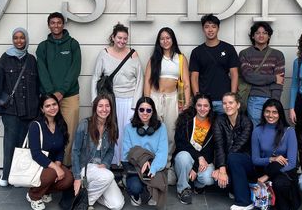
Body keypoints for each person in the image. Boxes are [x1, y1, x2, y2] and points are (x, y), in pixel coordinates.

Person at [0, 27, 40, 187]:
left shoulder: (31, 60)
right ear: (13, 40)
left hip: (30, 110)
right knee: (10, 143)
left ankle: (17, 176)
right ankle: (6, 175)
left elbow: (38, 85)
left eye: (22, 37)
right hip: (10, 110)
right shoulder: (5, 58)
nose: (19, 41)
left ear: (26, 39)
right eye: (16, 38)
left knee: (24, 145)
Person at [91, 23, 144, 165]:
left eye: (125, 38)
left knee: (127, 132)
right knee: (111, 131)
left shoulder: (133, 54)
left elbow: (140, 79)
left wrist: (136, 104)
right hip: (110, 99)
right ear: (113, 37)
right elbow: (95, 77)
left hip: (130, 99)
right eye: (119, 37)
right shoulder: (104, 54)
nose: (122, 41)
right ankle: (111, 162)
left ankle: (126, 162)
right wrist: (95, 101)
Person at [144, 27, 191, 184]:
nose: (165, 41)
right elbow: (147, 82)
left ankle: (167, 166)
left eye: (168, 38)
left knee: (170, 134)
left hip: (172, 99)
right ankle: (151, 165)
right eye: (162, 38)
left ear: (173, 39)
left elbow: (186, 84)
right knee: (153, 132)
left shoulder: (180, 58)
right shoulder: (153, 59)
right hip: (155, 98)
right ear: (159, 41)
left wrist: (186, 104)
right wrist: (146, 102)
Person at [36, 12, 82, 165]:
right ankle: (48, 166)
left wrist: (61, 91)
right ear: (49, 25)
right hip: (49, 98)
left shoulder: (73, 44)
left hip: (69, 95)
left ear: (63, 25)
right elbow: (42, 71)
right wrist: (51, 95)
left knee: (69, 132)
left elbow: (74, 70)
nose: (56, 25)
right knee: (49, 131)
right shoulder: (43, 47)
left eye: (59, 22)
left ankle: (67, 166)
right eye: (53, 23)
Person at [71, 95, 125, 210]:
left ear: (111, 108)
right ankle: (85, 201)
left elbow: (110, 150)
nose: (104, 109)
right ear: (95, 108)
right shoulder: (85, 124)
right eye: (100, 106)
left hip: (101, 170)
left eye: (107, 106)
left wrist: (105, 163)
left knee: (117, 205)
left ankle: (93, 195)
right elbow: (75, 151)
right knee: (109, 176)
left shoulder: (112, 126)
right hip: (86, 167)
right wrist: (76, 177)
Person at [250, 98, 300, 210]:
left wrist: (267, 176)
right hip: (266, 168)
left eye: (274, 112)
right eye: (267, 111)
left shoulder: (289, 131)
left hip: (285, 172)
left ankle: (285, 208)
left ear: (280, 114)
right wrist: (272, 159)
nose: (270, 115)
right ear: (263, 113)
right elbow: (255, 159)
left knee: (278, 178)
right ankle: (275, 204)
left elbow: (292, 163)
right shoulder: (257, 131)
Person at [25, 94, 74, 210]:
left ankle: (45, 190)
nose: (52, 108)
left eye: (54, 104)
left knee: (68, 179)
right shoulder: (35, 126)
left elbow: (61, 149)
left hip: (52, 165)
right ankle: (34, 195)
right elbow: (36, 154)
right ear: (42, 109)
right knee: (52, 173)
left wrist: (58, 165)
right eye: (48, 106)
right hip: (38, 164)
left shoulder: (61, 124)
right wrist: (56, 169)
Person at [122, 97, 168, 207]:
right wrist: (143, 160)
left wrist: (152, 166)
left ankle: (151, 191)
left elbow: (162, 152)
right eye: (141, 110)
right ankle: (135, 194)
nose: (145, 113)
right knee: (135, 187)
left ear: (153, 112)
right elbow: (126, 153)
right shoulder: (128, 128)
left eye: (148, 110)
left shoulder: (161, 128)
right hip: (136, 165)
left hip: (154, 164)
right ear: (137, 111)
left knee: (155, 181)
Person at [212, 92, 254, 210]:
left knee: (234, 157)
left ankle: (245, 202)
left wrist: (222, 168)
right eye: (224, 103)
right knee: (216, 180)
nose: (227, 106)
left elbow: (237, 148)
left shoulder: (246, 123)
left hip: (246, 163)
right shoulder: (219, 121)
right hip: (228, 162)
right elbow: (218, 145)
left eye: (231, 103)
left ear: (238, 105)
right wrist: (221, 168)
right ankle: (234, 189)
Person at [189, 14, 240, 114]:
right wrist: (198, 98)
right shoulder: (197, 52)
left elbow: (234, 74)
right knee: (205, 129)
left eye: (213, 26)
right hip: (205, 101)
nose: (210, 30)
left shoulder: (228, 48)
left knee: (225, 128)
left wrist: (232, 97)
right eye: (207, 27)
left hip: (224, 101)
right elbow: (194, 77)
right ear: (203, 29)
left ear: (218, 28)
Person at [239, 22, 285, 125]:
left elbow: (279, 82)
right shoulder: (244, 54)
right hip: (254, 98)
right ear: (252, 36)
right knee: (256, 129)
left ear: (269, 36)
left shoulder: (278, 55)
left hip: (272, 98)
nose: (261, 35)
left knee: (272, 130)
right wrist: (273, 78)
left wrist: (274, 102)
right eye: (257, 33)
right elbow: (249, 76)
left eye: (264, 33)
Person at [173, 93, 215, 205]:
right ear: (195, 106)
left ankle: (198, 185)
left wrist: (196, 168)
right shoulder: (186, 119)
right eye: (199, 105)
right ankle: (183, 189)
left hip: (204, 159)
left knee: (208, 179)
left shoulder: (215, 123)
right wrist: (199, 157)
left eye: (206, 106)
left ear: (210, 107)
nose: (202, 109)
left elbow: (211, 150)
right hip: (187, 156)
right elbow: (181, 143)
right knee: (183, 157)